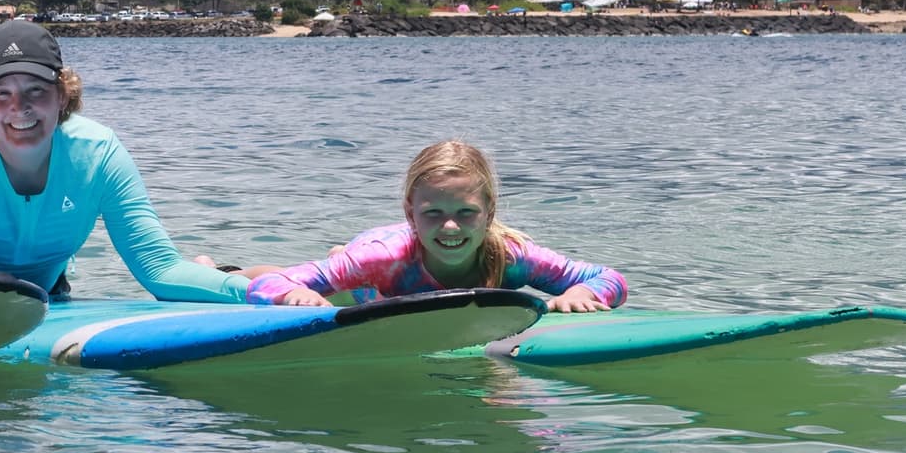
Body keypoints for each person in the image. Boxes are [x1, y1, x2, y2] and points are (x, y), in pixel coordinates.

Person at [0, 20, 248, 302]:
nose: (20, 108)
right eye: (2, 94)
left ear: (63, 96)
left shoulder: (99, 153)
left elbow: (159, 270)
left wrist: (258, 293)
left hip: (30, 288)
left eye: (36, 90)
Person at [246, 139, 628, 311]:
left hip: (381, 272)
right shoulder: (384, 258)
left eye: (465, 213)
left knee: (336, 272)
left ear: (490, 213)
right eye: (433, 213)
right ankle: (221, 269)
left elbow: (608, 277)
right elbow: (266, 288)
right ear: (411, 214)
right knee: (327, 278)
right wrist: (290, 295)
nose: (450, 227)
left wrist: (583, 294)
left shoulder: (511, 255)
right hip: (372, 264)